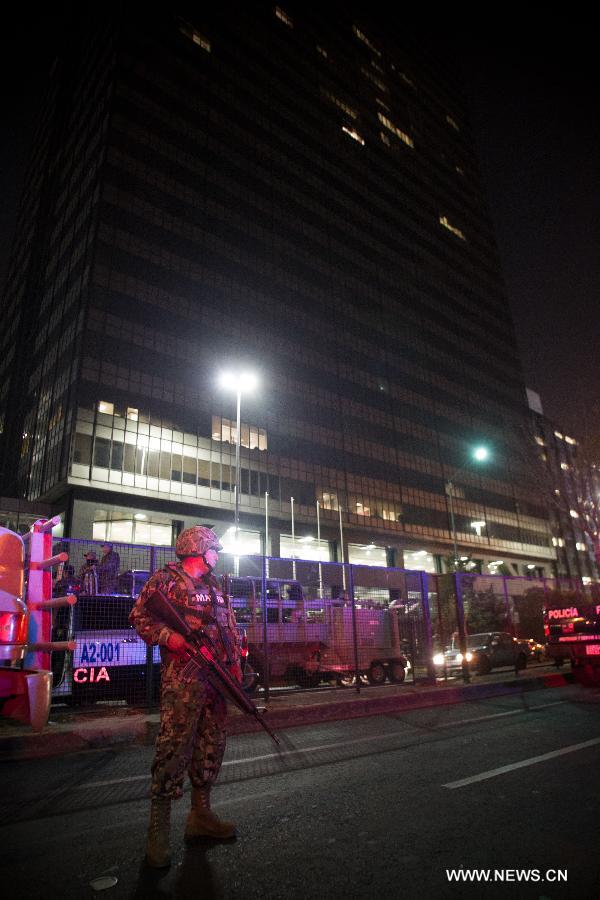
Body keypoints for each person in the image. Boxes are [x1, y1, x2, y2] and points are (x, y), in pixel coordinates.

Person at [129, 525, 242, 868]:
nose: (217, 555)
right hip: (183, 681)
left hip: (216, 678)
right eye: (214, 549)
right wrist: (168, 636)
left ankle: (200, 816)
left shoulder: (214, 585)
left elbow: (229, 627)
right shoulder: (165, 580)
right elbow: (139, 616)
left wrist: (235, 663)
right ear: (197, 549)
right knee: (174, 746)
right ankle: (158, 830)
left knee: (212, 743)